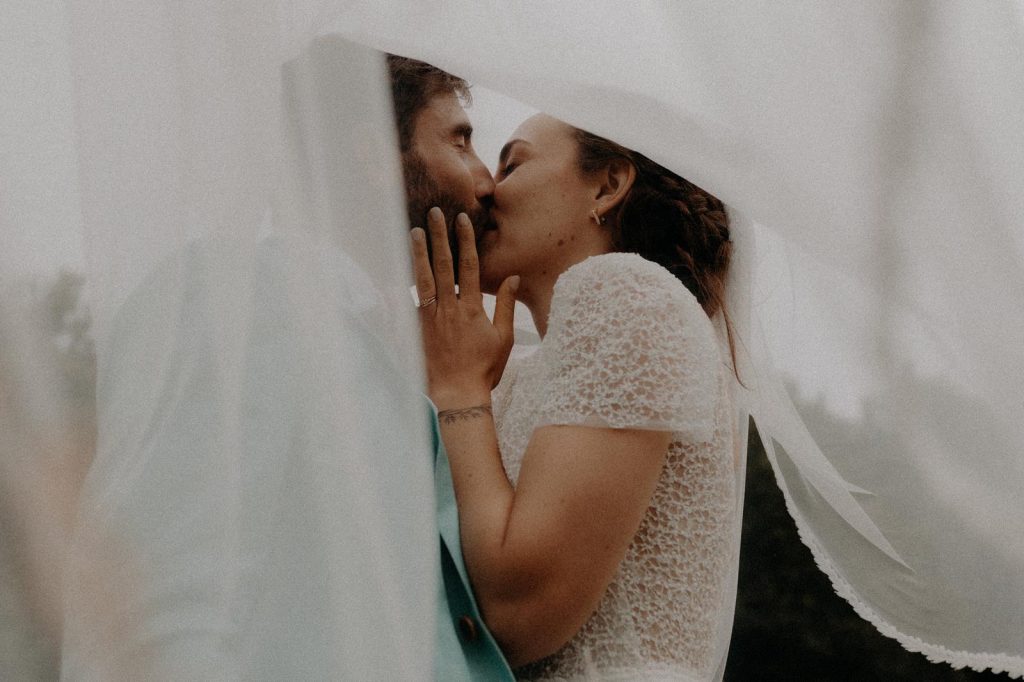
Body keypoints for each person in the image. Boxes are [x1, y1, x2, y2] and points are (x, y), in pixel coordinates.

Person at [412, 113, 740, 681]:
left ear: (608, 187)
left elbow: (517, 613)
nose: (486, 188)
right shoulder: (511, 376)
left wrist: (460, 391)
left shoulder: (624, 292)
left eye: (513, 163)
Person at [385, 54, 516, 681]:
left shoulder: (418, 348)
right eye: (460, 140)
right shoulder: (255, 304)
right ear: (371, 149)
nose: (487, 181)